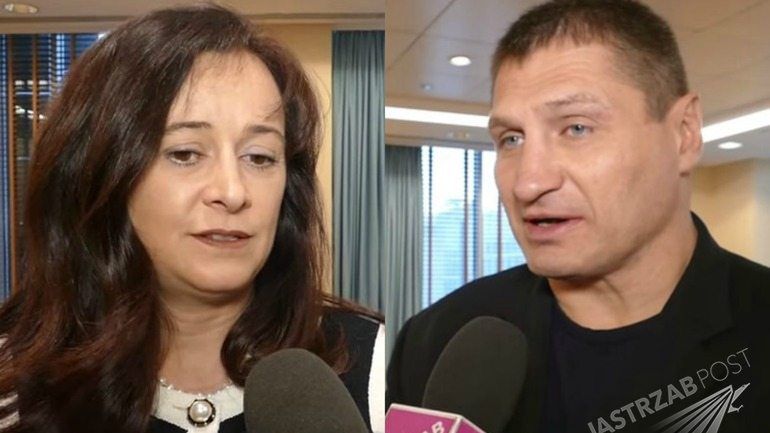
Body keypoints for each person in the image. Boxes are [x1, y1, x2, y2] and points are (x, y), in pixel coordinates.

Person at [387, 1, 770, 432]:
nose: (528, 183)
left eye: (577, 128)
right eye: (511, 139)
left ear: (684, 134)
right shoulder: (434, 341)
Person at [0, 5, 384, 433]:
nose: (233, 192)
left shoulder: (372, 364)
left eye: (259, 157)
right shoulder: (13, 378)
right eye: (185, 154)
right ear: (103, 173)